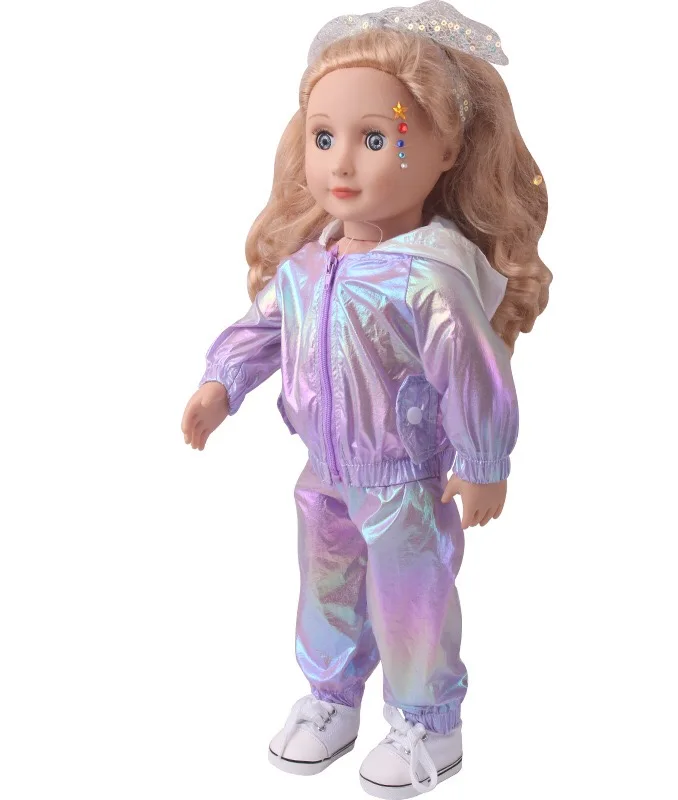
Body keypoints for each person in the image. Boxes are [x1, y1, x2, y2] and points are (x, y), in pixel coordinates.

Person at [180, 2, 552, 796]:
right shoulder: (309, 265)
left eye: (376, 139)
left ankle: (427, 719)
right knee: (326, 583)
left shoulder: (430, 276)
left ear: (445, 149)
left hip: (404, 477)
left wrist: (484, 461)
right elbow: (262, 328)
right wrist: (221, 383)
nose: (341, 163)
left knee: (412, 595)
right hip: (324, 470)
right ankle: (331, 695)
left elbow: (475, 373)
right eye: (324, 138)